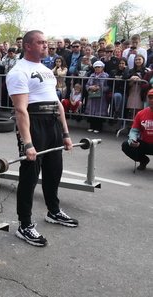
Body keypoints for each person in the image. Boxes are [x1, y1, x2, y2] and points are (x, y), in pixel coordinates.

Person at [6, 30, 78, 247]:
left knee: (54, 171)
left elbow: (57, 104)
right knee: (29, 175)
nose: (46, 46)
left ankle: (53, 211)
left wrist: (65, 133)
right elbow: (20, 110)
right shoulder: (18, 72)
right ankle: (24, 224)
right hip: (34, 124)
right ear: (28, 45)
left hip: (53, 123)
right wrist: (27, 143)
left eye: (47, 42)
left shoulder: (46, 70)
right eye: (41, 43)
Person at [121, 88, 153, 170]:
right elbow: (134, 130)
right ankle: (144, 160)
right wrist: (132, 140)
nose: (152, 100)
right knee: (126, 145)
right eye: (150, 97)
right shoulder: (141, 113)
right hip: (145, 144)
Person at [85, 60, 109, 133]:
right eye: (96, 67)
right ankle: (91, 126)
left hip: (101, 97)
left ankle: (98, 127)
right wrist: (90, 87)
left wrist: (100, 88)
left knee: (99, 112)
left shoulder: (106, 76)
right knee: (92, 112)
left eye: (99, 67)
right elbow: (87, 85)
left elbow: (108, 87)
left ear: (102, 68)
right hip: (92, 96)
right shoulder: (91, 75)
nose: (97, 69)